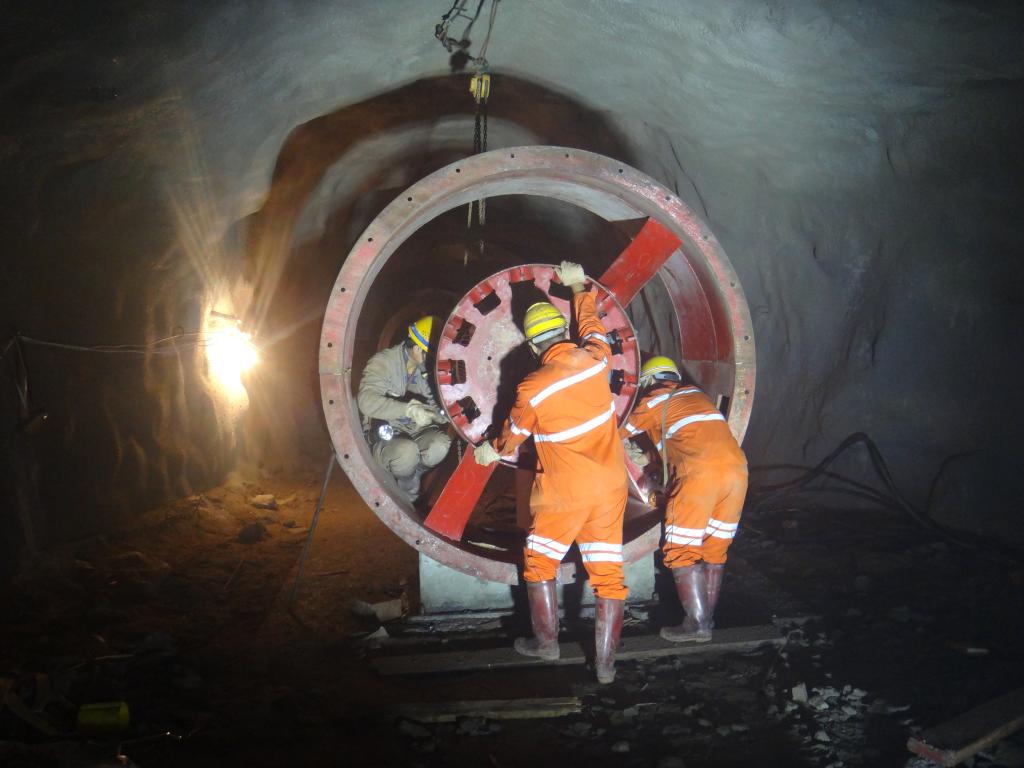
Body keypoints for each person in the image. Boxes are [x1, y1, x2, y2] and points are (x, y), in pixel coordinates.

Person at [473, 261, 629, 684]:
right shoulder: (597, 359)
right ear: (563, 331)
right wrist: (578, 286)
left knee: (540, 562)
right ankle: (607, 667)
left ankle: (546, 643)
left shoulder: (532, 387)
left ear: (531, 345)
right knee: (608, 575)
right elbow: (593, 327)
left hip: (565, 491)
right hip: (611, 487)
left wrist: (490, 450)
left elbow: (513, 436)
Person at [619, 356, 748, 642]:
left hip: (698, 476)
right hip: (737, 472)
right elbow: (686, 438)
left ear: (649, 381)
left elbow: (614, 433)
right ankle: (707, 621)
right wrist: (651, 457)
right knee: (714, 551)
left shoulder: (653, 400)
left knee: (681, 550)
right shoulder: (698, 396)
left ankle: (696, 624)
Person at [357, 316, 450, 502]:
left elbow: (435, 403)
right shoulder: (383, 362)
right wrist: (407, 410)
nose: (432, 360)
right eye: (430, 354)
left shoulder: (422, 370)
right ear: (417, 348)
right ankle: (406, 483)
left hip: (415, 431)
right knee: (406, 452)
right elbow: (366, 401)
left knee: (440, 445)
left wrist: (440, 415)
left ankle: (414, 472)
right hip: (388, 435)